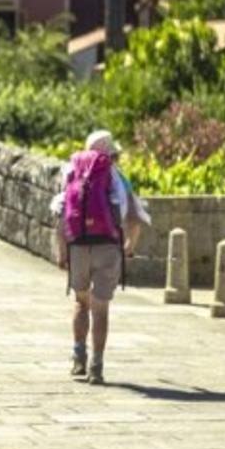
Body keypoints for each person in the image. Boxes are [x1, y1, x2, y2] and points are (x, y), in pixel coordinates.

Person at [51, 130, 149, 385]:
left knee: (81, 303)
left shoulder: (71, 172)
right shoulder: (119, 179)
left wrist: (62, 251)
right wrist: (128, 247)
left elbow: (62, 213)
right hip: (108, 246)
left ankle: (78, 358)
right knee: (101, 308)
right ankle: (97, 365)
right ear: (111, 154)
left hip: (79, 245)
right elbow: (136, 220)